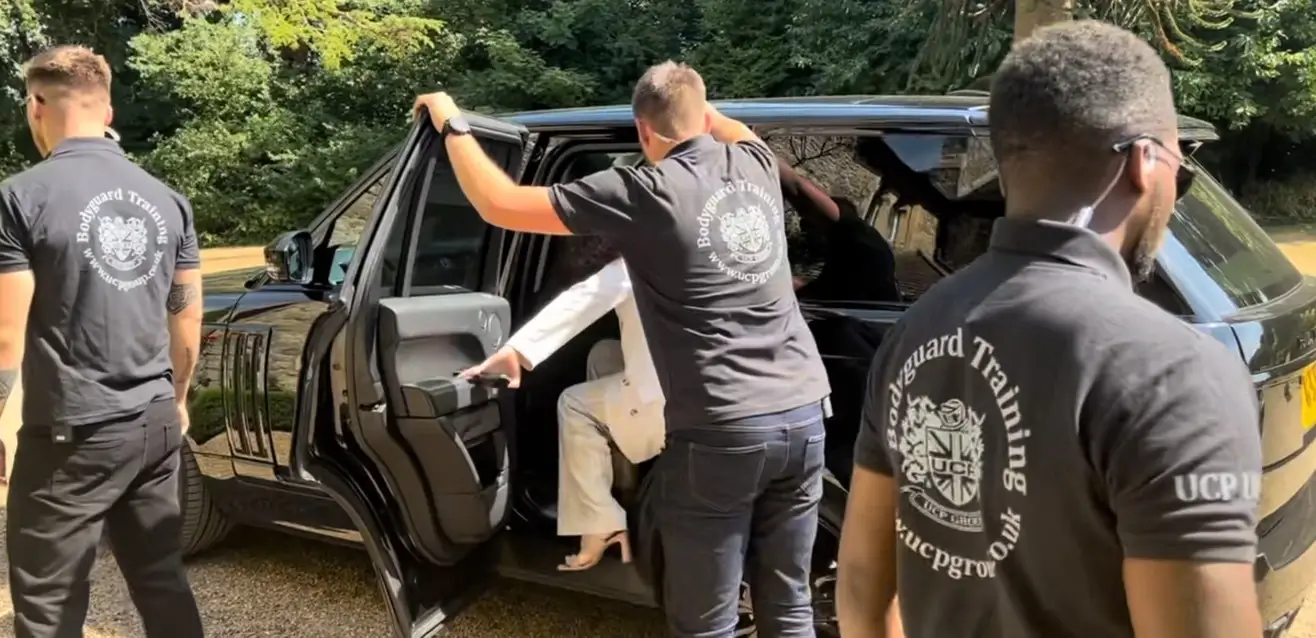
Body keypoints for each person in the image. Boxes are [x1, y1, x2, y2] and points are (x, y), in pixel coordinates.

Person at [836, 20, 1263, 638]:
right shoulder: (1173, 372)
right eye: (1180, 167)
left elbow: (860, 589)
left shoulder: (916, 329)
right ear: (1144, 161)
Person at [420, 60, 831, 637]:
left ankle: (598, 519)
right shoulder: (756, 162)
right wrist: (691, 99)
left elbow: (499, 203)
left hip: (722, 432)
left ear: (643, 132)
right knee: (788, 607)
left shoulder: (645, 192)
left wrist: (451, 123)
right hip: (806, 416)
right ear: (702, 114)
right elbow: (718, 121)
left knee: (704, 622)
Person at [0, 45, 205, 638]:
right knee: (160, 579)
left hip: (73, 434)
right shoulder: (169, 201)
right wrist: (176, 400)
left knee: (49, 607)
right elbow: (187, 320)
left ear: (36, 106)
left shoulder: (21, 197)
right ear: (109, 110)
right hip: (152, 424)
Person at [465, 255, 665, 571]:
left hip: (671, 407)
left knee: (575, 404)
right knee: (605, 354)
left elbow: (586, 298)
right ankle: (622, 487)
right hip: (734, 394)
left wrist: (516, 351)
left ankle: (601, 523)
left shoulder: (645, 256)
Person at [779, 163, 899, 303]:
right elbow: (818, 291)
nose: (804, 229)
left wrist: (769, 162)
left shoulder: (863, 240)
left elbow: (798, 186)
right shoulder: (842, 263)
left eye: (808, 223)